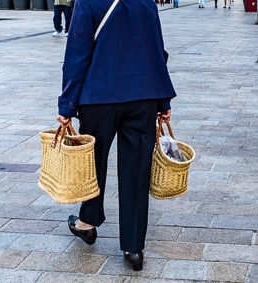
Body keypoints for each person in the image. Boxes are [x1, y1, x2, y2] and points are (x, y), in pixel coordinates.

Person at [56, 0, 176, 272]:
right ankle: (133, 247)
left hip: (100, 95)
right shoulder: (147, 2)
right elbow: (157, 50)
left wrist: (67, 104)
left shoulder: (88, 2)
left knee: (92, 163)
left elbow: (77, 53)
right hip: (142, 95)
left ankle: (87, 223)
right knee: (137, 170)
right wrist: (163, 101)